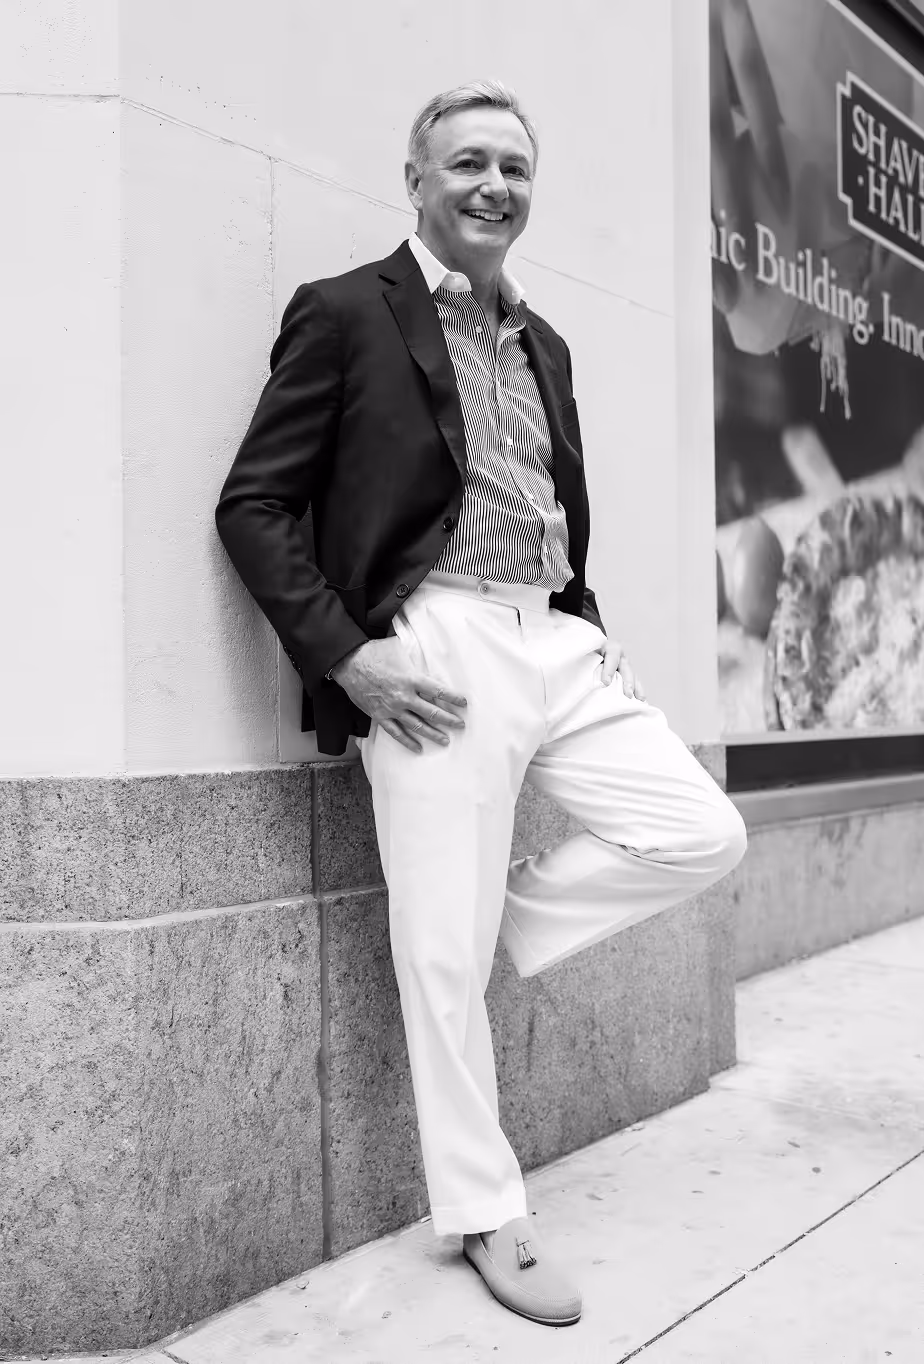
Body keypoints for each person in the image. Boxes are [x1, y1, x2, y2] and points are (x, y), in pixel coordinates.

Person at [215, 79, 748, 1329]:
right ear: (416, 179)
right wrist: (349, 655)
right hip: (436, 645)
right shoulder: (347, 311)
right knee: (439, 958)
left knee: (701, 831)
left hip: (555, 636)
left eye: (513, 165)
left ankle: (488, 912)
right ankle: (484, 1209)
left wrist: (586, 628)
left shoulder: (543, 339)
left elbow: (550, 497)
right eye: (466, 163)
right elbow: (254, 502)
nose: (493, 185)